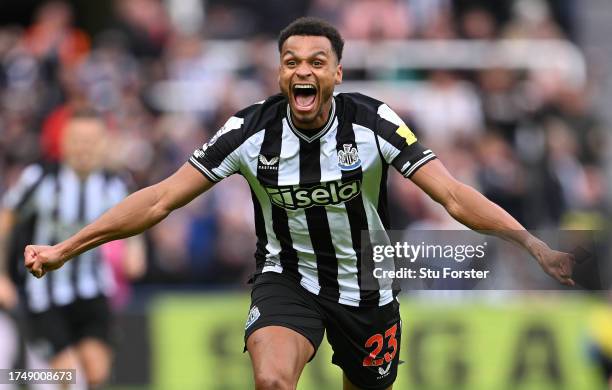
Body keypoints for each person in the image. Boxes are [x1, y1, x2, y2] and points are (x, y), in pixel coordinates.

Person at [22, 18, 575, 390]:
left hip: (368, 286)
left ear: (337, 72)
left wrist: (529, 242)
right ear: (280, 73)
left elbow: (452, 194)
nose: (302, 71)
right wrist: (66, 249)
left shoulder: (375, 122)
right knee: (272, 381)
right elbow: (161, 198)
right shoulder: (248, 132)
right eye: (291, 62)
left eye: (316, 61)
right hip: (286, 276)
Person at [0, 109, 145, 388]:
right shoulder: (40, 178)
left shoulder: (114, 183)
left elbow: (136, 217)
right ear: (65, 142)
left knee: (97, 374)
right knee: (67, 376)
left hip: (93, 289)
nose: (84, 148)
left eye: (92, 140)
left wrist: (135, 247)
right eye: (78, 140)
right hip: (45, 293)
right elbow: (5, 222)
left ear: (103, 143)